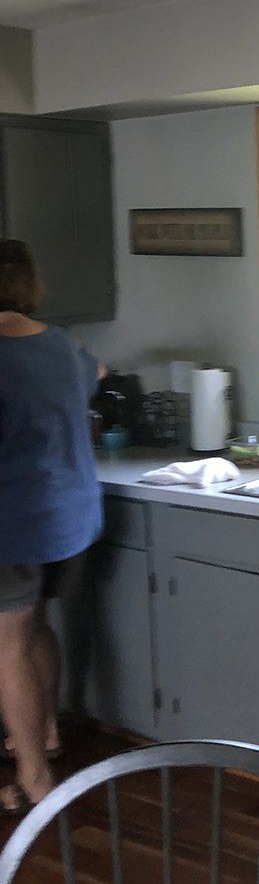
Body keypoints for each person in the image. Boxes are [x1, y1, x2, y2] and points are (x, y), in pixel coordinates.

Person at [0, 239, 105, 814]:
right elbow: (100, 371)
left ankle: (34, 780)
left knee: (8, 647)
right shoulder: (63, 345)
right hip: (71, 517)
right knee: (36, 626)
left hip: (15, 522)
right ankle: (46, 735)